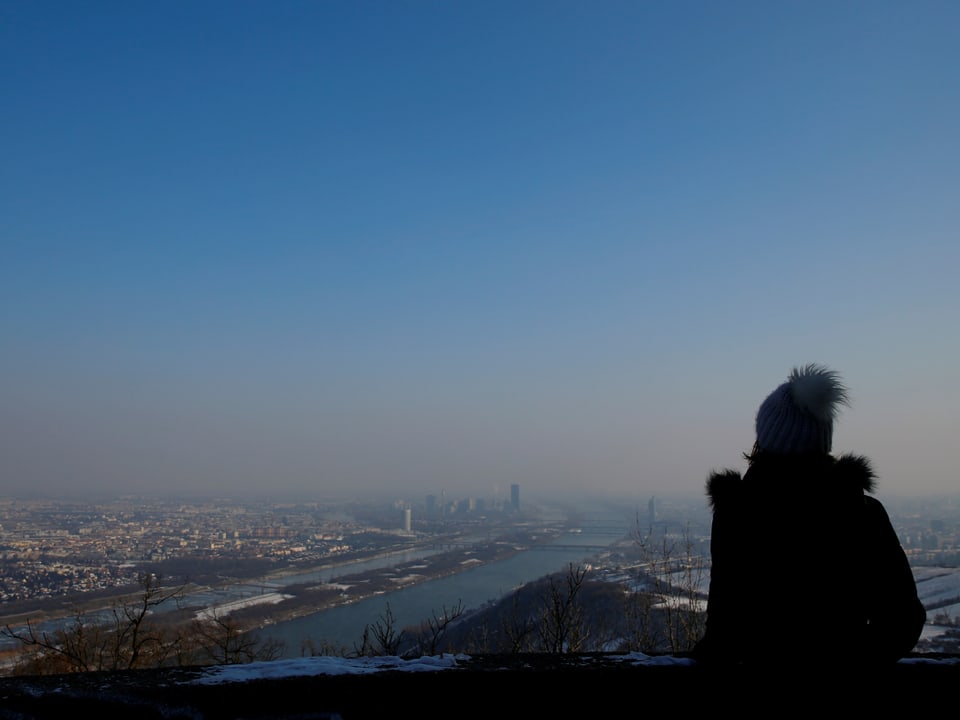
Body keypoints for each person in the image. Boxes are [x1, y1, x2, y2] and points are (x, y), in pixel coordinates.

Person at [692, 363, 926, 666]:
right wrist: (852, 659)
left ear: (764, 438)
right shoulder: (862, 513)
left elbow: (723, 623)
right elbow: (903, 621)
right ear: (822, 441)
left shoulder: (737, 512)